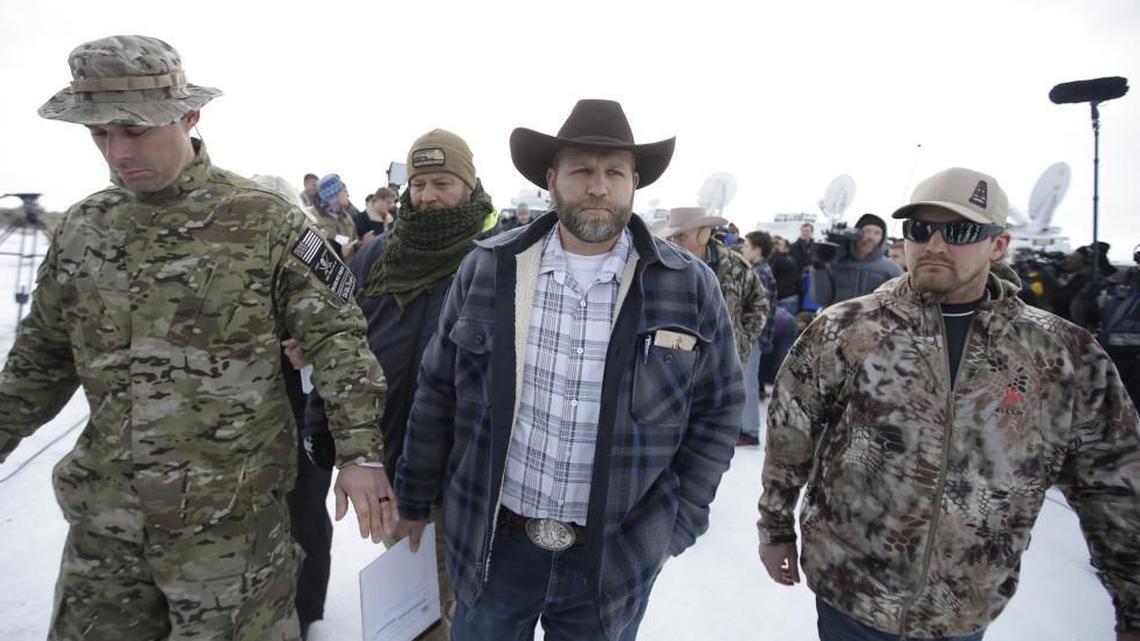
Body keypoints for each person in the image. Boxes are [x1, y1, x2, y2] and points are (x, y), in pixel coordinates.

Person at [0, 35, 395, 641]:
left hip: (229, 537)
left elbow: (338, 339)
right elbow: (39, 362)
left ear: (188, 116)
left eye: (134, 129)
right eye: (99, 134)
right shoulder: (84, 228)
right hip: (105, 534)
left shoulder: (263, 219)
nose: (116, 151)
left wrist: (359, 453)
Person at [395, 99, 744, 641]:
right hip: (495, 549)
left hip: (614, 557)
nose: (598, 187)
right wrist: (413, 499)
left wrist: (681, 520)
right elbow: (436, 391)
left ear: (634, 183)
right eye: (583, 170)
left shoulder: (688, 285)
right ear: (553, 180)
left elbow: (719, 409)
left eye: (614, 172)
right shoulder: (489, 268)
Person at [758, 167, 1140, 641]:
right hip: (850, 591)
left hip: (961, 606)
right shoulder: (847, 329)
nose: (935, 244)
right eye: (920, 230)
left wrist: (1133, 602)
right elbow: (790, 432)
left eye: (959, 231)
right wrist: (775, 528)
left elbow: (1114, 481)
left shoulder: (1061, 354)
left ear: (998, 246)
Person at [306, 129, 497, 640]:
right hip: (392, 460)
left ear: (469, 185)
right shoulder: (376, 256)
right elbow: (341, 341)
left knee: (456, 599)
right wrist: (321, 432)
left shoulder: (498, 260)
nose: (428, 196)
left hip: (466, 468)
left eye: (443, 182)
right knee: (415, 604)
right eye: (419, 184)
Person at [811, 212, 903, 308]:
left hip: (873, 322)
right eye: (866, 231)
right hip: (837, 320)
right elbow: (821, 299)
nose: (870, 237)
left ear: (882, 238)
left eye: (877, 233)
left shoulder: (891, 269)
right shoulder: (835, 263)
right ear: (855, 234)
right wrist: (819, 268)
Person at [743, 230, 779, 405]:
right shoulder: (760, 270)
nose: (743, 249)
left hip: (754, 337)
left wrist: (748, 335)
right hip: (756, 336)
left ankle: (749, 430)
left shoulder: (760, 273)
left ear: (757, 249)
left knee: (748, 383)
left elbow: (759, 310)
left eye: (747, 246)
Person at [314, 173, 360, 258]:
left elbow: (353, 241)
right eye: (345, 191)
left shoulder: (347, 217)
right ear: (334, 195)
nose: (348, 195)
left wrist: (364, 243)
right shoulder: (316, 219)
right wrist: (341, 254)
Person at [770, 235, 801, 313]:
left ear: (787, 249)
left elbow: (774, 268)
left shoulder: (785, 261)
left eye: (779, 244)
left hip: (786, 300)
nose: (776, 246)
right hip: (785, 298)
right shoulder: (784, 259)